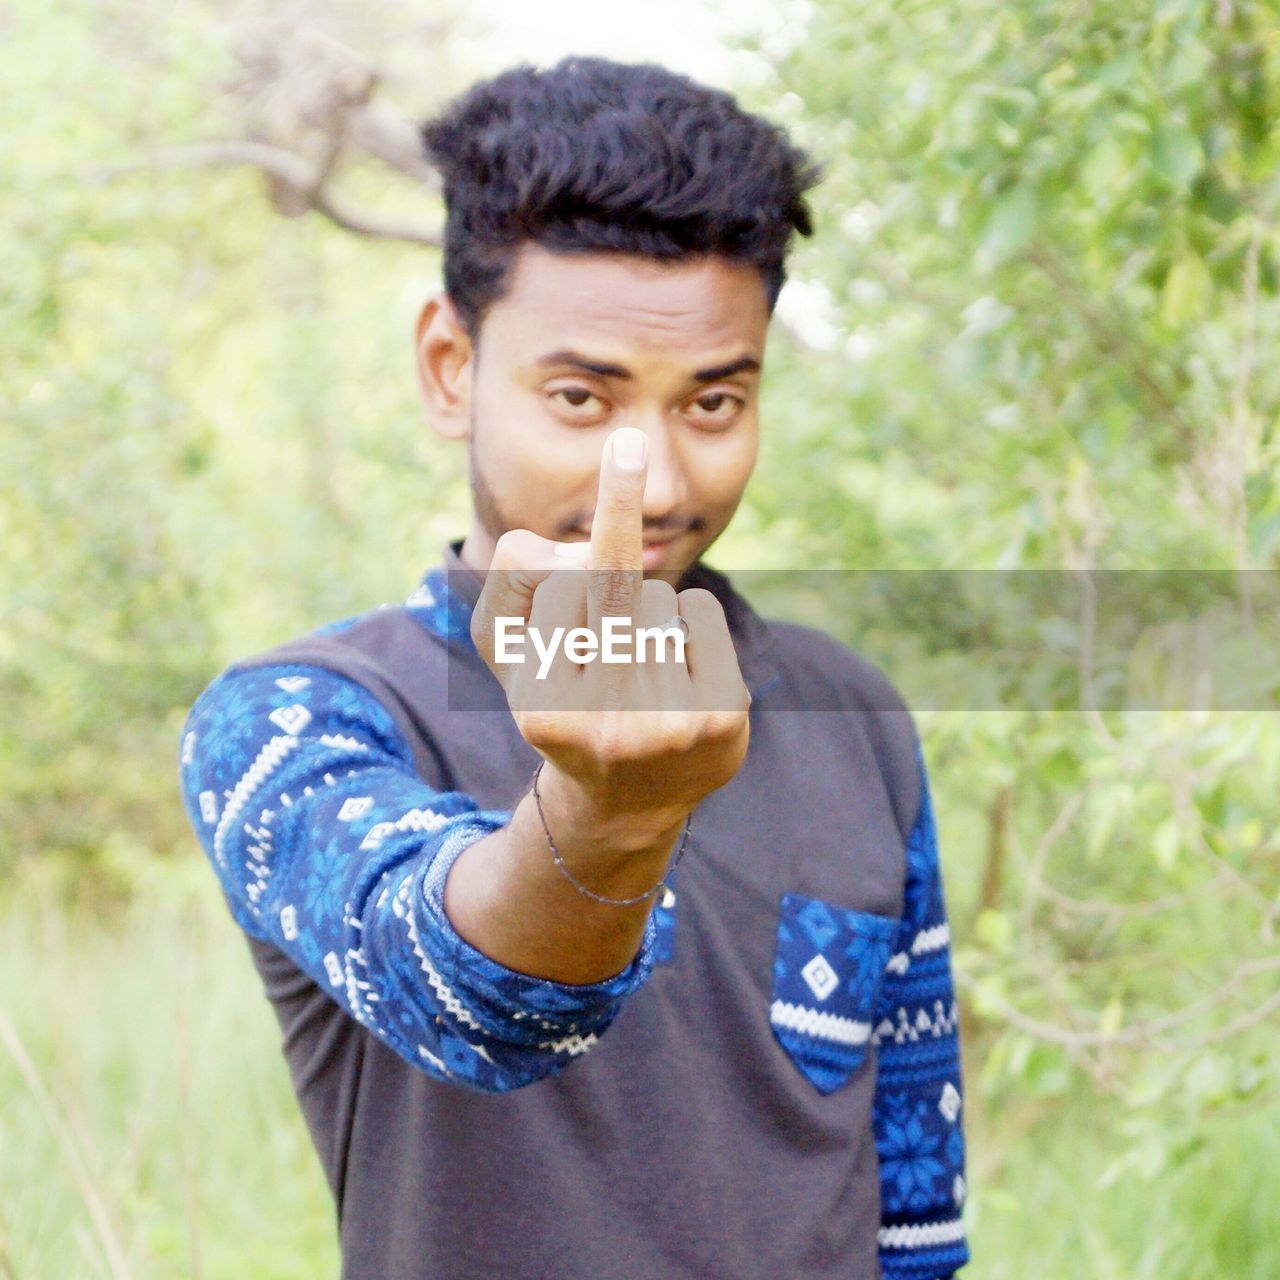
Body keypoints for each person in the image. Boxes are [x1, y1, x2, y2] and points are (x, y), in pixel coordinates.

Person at [179, 56, 970, 1280]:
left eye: (711, 403)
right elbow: (459, 994)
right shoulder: (296, 718)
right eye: (579, 397)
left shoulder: (852, 712)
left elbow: (914, 1210)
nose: (648, 481)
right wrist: (606, 822)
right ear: (451, 367)